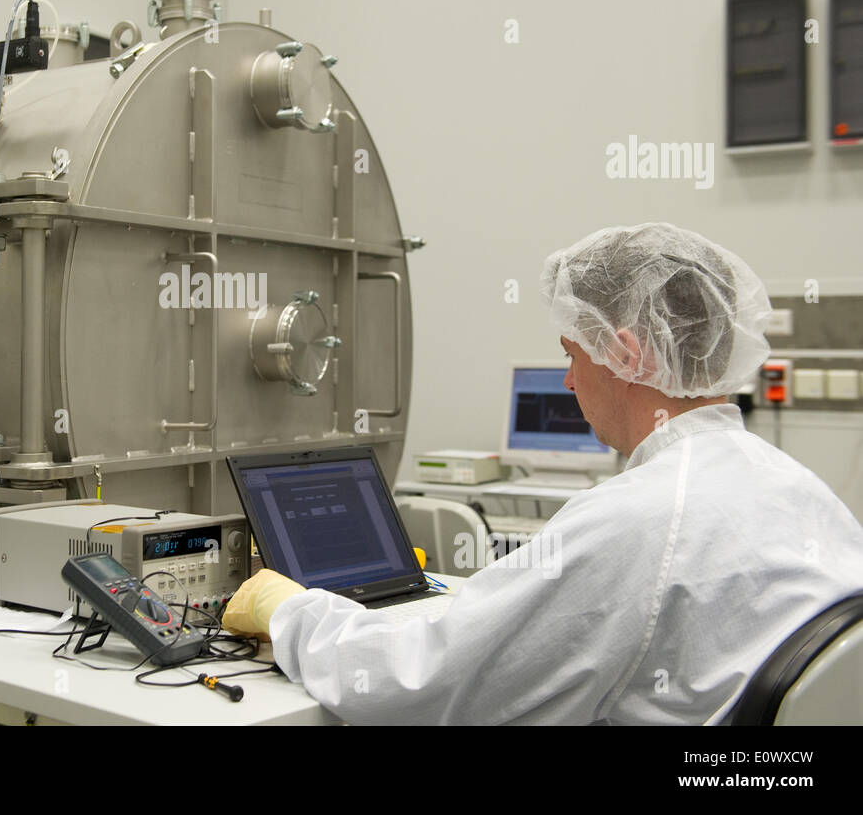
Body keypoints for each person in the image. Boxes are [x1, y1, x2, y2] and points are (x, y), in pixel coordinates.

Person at [222, 222, 863, 724]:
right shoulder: (792, 484)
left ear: (625, 352)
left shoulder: (638, 518)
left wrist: (291, 611)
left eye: (572, 354)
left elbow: (416, 687)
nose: (568, 380)